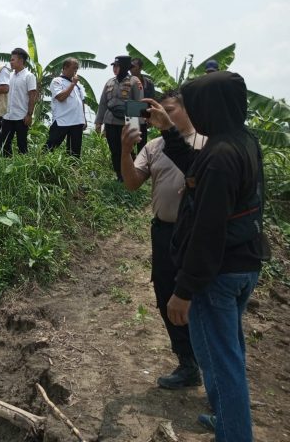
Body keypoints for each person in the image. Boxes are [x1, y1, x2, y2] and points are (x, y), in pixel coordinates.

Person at [146, 71, 266, 440]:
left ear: (209, 108)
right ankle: (228, 418)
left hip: (218, 273)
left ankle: (233, 433)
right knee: (227, 351)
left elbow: (206, 231)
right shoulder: (240, 141)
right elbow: (195, 168)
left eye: (194, 105)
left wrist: (184, 290)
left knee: (220, 359)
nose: (191, 113)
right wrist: (168, 131)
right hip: (244, 262)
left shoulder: (219, 157)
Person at [120, 89, 206, 389]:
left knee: (196, 297)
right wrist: (125, 150)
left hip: (196, 234)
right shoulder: (154, 146)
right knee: (165, 294)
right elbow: (132, 183)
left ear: (187, 110)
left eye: (168, 109)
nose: (160, 116)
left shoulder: (205, 144)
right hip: (164, 231)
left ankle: (207, 359)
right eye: (156, 111)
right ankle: (187, 362)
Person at [95, 55, 142, 181]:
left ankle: (131, 175)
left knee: (126, 149)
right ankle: (119, 175)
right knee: (114, 150)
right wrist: (98, 122)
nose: (115, 69)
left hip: (127, 122)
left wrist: (136, 126)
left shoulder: (134, 81)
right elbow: (103, 103)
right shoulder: (109, 82)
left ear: (125, 67)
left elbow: (138, 102)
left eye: (117, 66)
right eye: (114, 66)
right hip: (110, 120)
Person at [45, 57, 87, 157]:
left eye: (77, 68)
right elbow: (61, 97)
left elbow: (81, 102)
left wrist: (84, 118)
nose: (75, 71)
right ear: (65, 67)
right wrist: (72, 84)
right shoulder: (57, 81)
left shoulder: (78, 86)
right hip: (62, 120)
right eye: (74, 68)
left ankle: (73, 171)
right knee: (51, 146)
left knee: (74, 152)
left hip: (77, 121)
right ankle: (39, 167)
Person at [1, 48, 38, 156]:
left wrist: (29, 114)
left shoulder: (29, 76)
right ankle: (6, 166)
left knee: (22, 144)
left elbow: (32, 96)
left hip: (21, 117)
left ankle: (23, 168)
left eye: (13, 60)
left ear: (21, 60)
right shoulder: (9, 76)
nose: (10, 62)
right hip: (7, 116)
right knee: (5, 144)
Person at [130, 57, 156, 153]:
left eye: (133, 66)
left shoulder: (148, 83)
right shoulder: (126, 81)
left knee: (142, 145)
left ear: (140, 68)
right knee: (130, 145)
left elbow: (152, 101)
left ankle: (141, 166)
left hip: (144, 118)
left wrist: (150, 117)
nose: (131, 68)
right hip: (131, 117)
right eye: (130, 66)